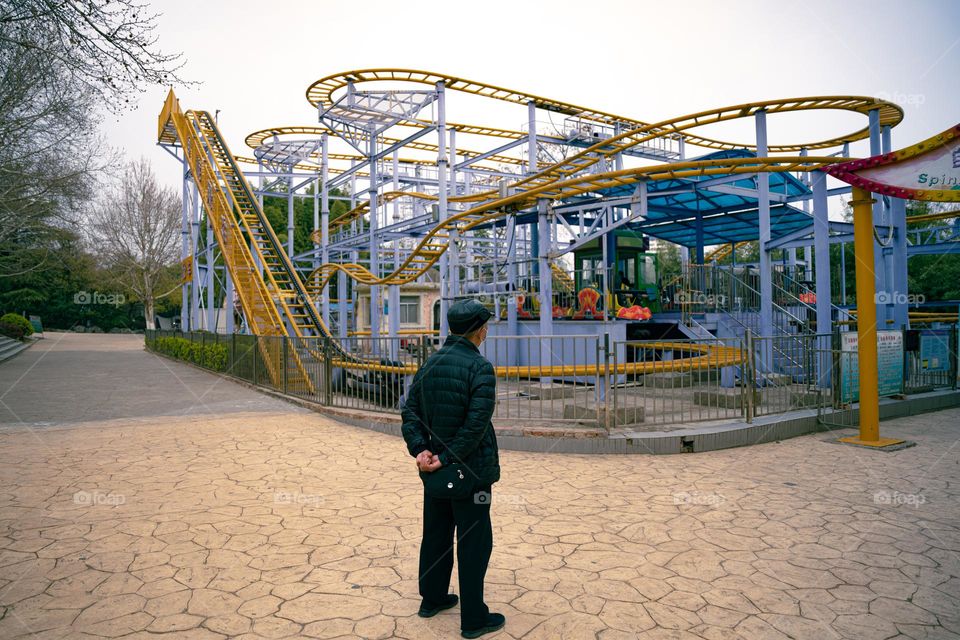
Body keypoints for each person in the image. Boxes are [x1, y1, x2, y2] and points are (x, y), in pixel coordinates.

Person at [401, 299, 505, 639]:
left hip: (435, 473)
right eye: (485, 325)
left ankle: (431, 599)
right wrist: (445, 457)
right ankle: (474, 618)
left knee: (436, 534)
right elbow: (476, 427)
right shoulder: (480, 368)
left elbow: (410, 412)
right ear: (479, 330)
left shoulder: (430, 363)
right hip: (471, 473)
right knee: (475, 542)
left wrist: (421, 451)